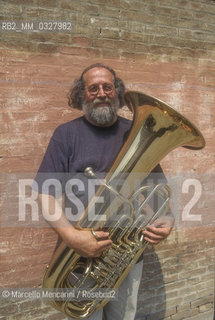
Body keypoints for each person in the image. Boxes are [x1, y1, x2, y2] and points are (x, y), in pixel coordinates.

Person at [35, 63, 174, 320]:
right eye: (93, 88)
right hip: (81, 255)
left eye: (108, 87)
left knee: (124, 316)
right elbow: (45, 194)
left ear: (117, 92)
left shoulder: (139, 133)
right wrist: (73, 238)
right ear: (82, 95)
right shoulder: (66, 135)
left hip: (126, 256)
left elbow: (158, 191)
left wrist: (166, 221)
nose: (101, 93)